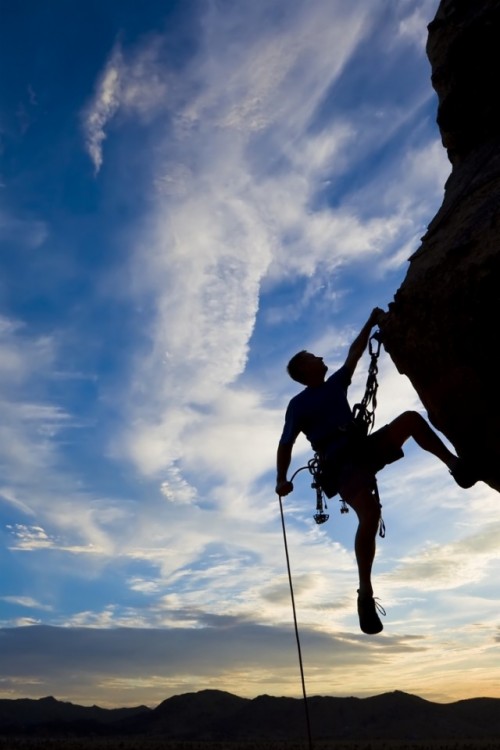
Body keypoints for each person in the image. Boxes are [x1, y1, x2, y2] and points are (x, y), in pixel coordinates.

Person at [275, 307, 477, 635]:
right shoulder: (299, 405)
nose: (320, 357)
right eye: (313, 356)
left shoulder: (335, 383)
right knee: (369, 513)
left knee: (411, 420)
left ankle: (457, 467)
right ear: (304, 369)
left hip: (361, 448)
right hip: (341, 464)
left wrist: (370, 322)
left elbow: (355, 354)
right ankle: (365, 594)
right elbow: (286, 443)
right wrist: (281, 479)